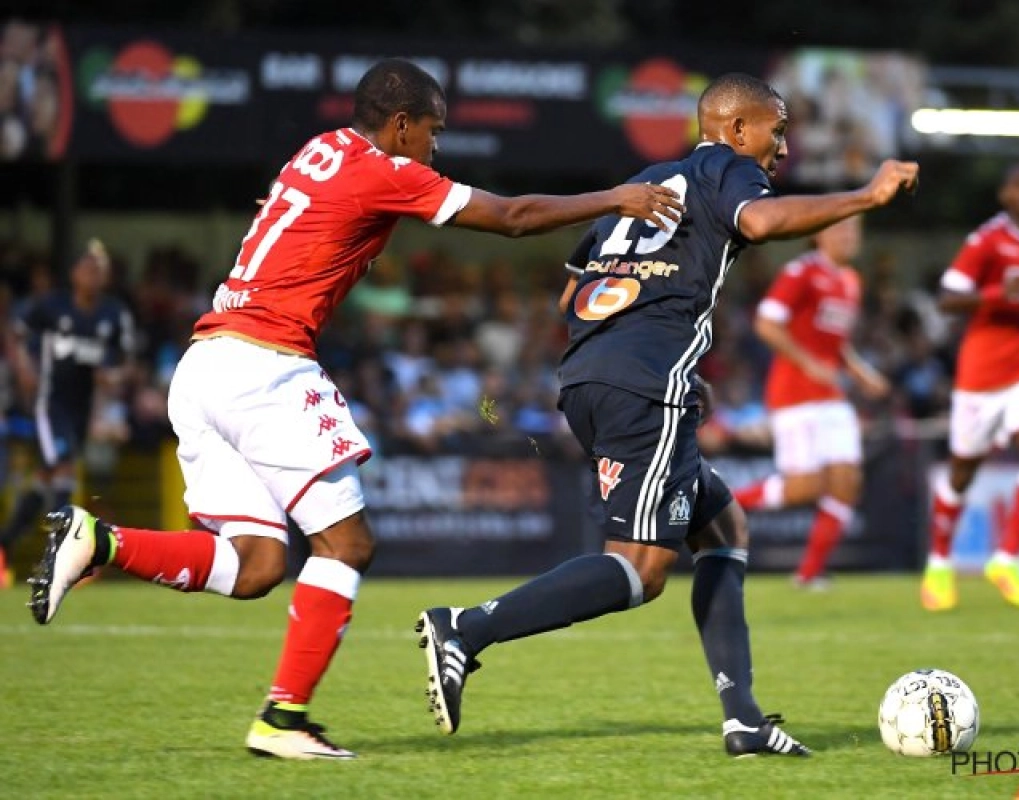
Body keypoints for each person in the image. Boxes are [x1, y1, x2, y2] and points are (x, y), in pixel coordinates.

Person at [28, 57, 684, 761]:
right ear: (401, 126)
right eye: (432, 132)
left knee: (254, 566)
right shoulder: (383, 168)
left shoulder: (318, 150)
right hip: (264, 366)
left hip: (203, 367)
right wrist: (617, 197)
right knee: (348, 545)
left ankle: (100, 541)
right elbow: (513, 218)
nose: (436, 148)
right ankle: (283, 719)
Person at [415, 72, 919, 755]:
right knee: (640, 568)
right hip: (642, 389)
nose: (781, 147)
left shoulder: (644, 185)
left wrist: (653, 351)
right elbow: (762, 223)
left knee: (722, 526)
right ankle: (466, 629)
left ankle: (743, 719)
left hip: (592, 378)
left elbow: (571, 299)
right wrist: (868, 195)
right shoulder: (725, 168)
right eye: (776, 130)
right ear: (735, 129)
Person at [919, 161, 1019, 612]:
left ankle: (1006, 560)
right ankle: (939, 564)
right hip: (981, 376)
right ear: (1004, 196)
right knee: (962, 472)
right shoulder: (987, 241)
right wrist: (995, 296)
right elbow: (948, 298)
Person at [731, 215, 889, 588]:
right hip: (795, 395)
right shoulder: (801, 272)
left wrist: (862, 372)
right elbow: (767, 324)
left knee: (847, 482)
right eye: (840, 228)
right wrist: (810, 365)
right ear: (819, 233)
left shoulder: (850, 281)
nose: (848, 236)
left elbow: (837, 344)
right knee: (804, 487)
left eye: (853, 230)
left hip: (832, 396)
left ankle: (809, 573)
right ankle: (717, 503)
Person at [0, 240, 133, 589]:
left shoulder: (112, 314)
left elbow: (125, 363)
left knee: (46, 479)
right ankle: (60, 558)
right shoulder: (51, 306)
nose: (94, 274)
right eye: (88, 267)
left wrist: (113, 377)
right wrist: (24, 368)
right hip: (49, 404)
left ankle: (4, 544)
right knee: (64, 468)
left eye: (100, 269)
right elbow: (14, 331)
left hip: (80, 409)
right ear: (74, 273)